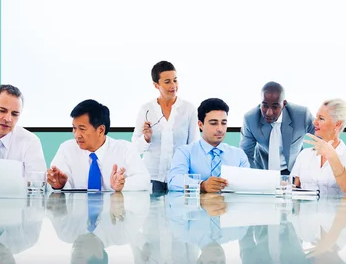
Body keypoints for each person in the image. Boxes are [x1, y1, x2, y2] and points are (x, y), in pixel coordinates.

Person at [48, 100, 151, 191]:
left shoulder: (125, 149)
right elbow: (52, 182)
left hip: (114, 212)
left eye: (82, 129)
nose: (77, 135)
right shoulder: (66, 150)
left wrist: (122, 185)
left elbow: (144, 181)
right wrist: (58, 186)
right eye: (74, 128)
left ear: (101, 130)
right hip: (78, 212)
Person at [131, 61, 199, 193]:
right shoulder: (146, 109)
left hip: (179, 177)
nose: (173, 86)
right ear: (156, 85)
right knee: (152, 213)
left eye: (175, 80)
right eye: (167, 82)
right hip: (152, 177)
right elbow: (135, 149)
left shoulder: (188, 109)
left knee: (179, 213)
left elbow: (194, 145)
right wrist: (146, 138)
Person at [167, 98, 249, 193]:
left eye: (223, 123)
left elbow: (247, 184)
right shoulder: (185, 152)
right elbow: (174, 180)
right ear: (200, 125)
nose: (220, 129)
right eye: (213, 123)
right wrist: (202, 185)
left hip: (230, 206)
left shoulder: (239, 155)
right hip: (197, 207)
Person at [240, 82, 314, 175]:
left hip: (295, 171)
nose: (269, 113)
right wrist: (255, 176)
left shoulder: (302, 115)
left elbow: (323, 138)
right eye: (265, 106)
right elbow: (246, 154)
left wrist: (309, 168)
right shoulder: (250, 119)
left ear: (284, 104)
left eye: (275, 107)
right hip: (264, 170)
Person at [292, 99, 346, 195]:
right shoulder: (304, 155)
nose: (314, 122)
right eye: (316, 117)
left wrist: (331, 156)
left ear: (337, 124)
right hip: (306, 210)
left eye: (321, 118)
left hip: (336, 210)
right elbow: (294, 190)